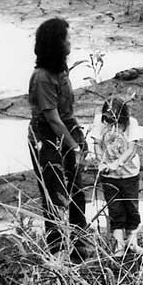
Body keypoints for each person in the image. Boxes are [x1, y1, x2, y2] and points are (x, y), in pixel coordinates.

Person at [27, 16, 91, 259]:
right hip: (46, 136)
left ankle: (78, 242)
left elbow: (65, 113)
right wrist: (74, 145)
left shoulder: (60, 69)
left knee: (76, 189)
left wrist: (77, 139)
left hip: (65, 130)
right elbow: (52, 118)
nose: (71, 42)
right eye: (67, 37)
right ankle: (56, 248)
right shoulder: (42, 76)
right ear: (57, 43)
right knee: (54, 193)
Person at [90, 96, 143, 256]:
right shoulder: (99, 121)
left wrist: (117, 163)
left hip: (129, 174)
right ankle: (119, 245)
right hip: (109, 176)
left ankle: (132, 242)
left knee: (132, 209)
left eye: (116, 120)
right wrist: (102, 162)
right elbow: (96, 145)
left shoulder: (131, 123)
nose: (113, 124)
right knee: (115, 209)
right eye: (109, 120)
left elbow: (132, 148)